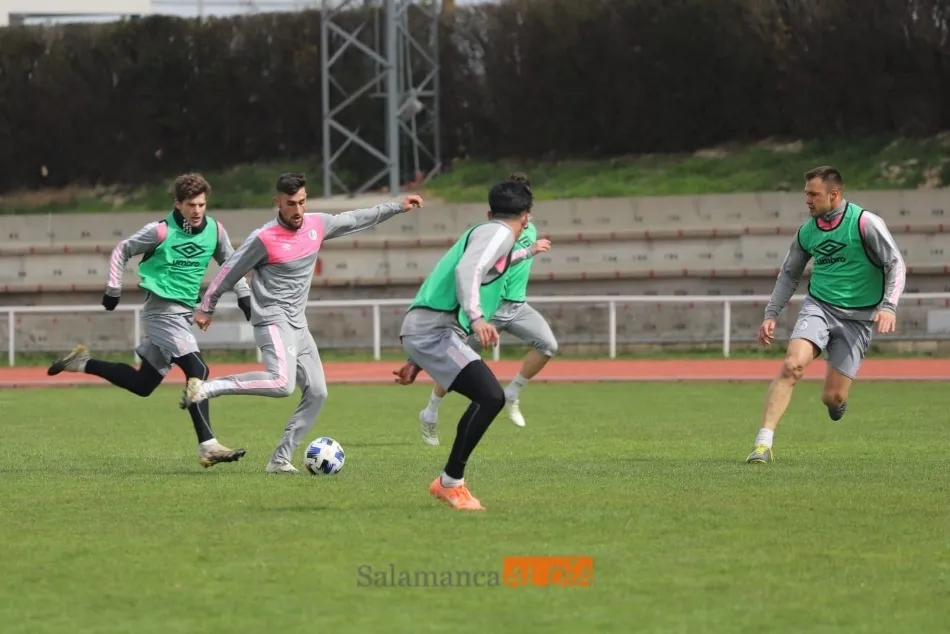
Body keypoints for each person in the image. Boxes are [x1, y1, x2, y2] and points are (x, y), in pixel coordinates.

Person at [179, 172, 425, 474]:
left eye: (302, 202)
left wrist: (398, 206)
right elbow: (229, 270)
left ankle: (280, 459)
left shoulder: (316, 225)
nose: (298, 210)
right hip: (271, 319)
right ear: (278, 202)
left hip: (298, 323)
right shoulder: (264, 238)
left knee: (318, 392)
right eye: (291, 204)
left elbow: (357, 218)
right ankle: (206, 388)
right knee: (282, 384)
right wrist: (207, 307)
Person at [46, 173, 252, 468]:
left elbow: (232, 263)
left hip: (182, 315)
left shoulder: (215, 231)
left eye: (202, 204)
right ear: (177, 204)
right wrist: (113, 288)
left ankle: (81, 362)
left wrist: (244, 295)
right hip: (161, 313)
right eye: (191, 204)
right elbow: (122, 249)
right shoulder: (160, 231)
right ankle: (208, 446)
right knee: (198, 368)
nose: (197, 211)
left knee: (143, 384)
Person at [392, 178, 551, 511]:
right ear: (526, 217)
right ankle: (450, 483)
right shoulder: (498, 234)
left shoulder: (490, 233)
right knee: (491, 396)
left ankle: (450, 481)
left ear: (490, 210)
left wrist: (416, 359)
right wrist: (477, 317)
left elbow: (492, 264)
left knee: (489, 396)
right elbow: (469, 270)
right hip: (432, 332)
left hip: (430, 332)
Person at [747, 166, 906, 464]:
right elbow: (789, 274)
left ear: (834, 195)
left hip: (858, 319)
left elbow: (895, 264)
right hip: (819, 307)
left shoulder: (864, 223)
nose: (807, 200)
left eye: (813, 194)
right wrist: (771, 314)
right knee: (791, 366)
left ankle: (836, 402)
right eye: (806, 194)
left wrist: (888, 306)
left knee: (832, 398)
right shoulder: (807, 231)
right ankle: (762, 444)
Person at [417, 172, 557, 446]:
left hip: (517, 308)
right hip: (488, 311)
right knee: (455, 364)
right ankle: (430, 412)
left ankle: (513, 393)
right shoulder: (492, 233)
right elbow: (488, 266)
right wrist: (528, 253)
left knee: (548, 345)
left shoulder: (530, 230)